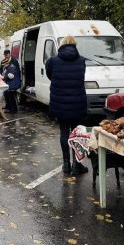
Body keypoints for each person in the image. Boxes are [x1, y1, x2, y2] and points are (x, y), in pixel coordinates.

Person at [46, 35, 88, 175]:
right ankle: (77, 165)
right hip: (77, 102)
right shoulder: (82, 60)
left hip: (60, 102)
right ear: (74, 45)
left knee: (64, 133)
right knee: (77, 134)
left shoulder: (53, 61)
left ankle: (66, 165)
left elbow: (50, 76)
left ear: (62, 45)